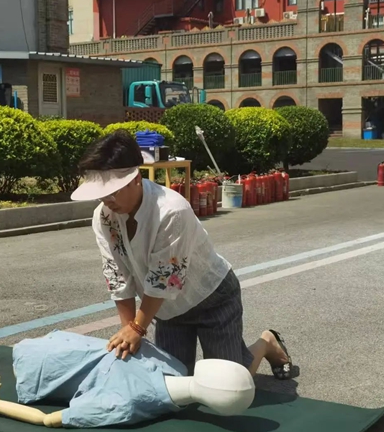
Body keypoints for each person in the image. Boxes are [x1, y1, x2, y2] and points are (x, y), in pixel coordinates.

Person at [70, 130, 292, 380]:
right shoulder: (104, 217)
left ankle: (266, 343)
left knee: (227, 383)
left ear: (136, 178)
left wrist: (137, 328)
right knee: (171, 381)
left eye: (113, 192)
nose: (106, 200)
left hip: (211, 298)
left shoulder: (170, 211)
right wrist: (128, 331)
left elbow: (163, 278)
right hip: (167, 310)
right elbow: (117, 275)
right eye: (101, 194)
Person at [0, 330, 255, 428]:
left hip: (45, 366)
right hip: (65, 352)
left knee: (46, 352)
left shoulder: (124, 402)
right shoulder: (176, 366)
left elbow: (45, 419)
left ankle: (265, 345)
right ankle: (265, 344)